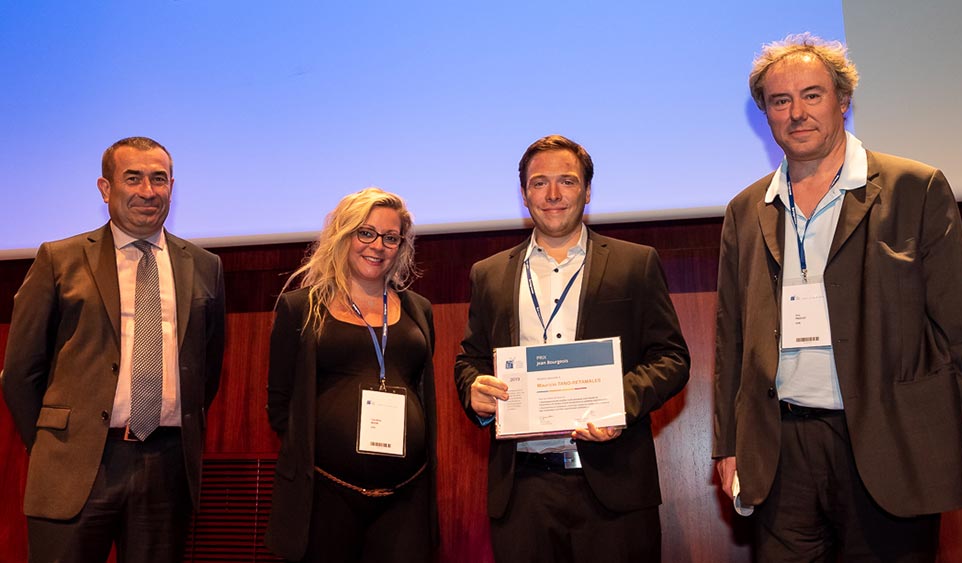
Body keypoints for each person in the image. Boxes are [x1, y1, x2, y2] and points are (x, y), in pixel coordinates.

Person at [713, 33, 962, 561]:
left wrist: (936, 436)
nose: (796, 113)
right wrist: (728, 445)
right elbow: (730, 339)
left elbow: (957, 333)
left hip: (890, 444)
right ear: (765, 113)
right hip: (781, 450)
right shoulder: (747, 209)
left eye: (812, 95)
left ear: (843, 101)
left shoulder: (915, 188)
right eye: (780, 101)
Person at [454, 135, 690, 563]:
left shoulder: (634, 263)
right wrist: (473, 390)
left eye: (567, 181)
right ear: (524, 194)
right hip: (522, 492)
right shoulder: (488, 274)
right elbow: (469, 359)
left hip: (612, 484)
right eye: (540, 183)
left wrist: (616, 403)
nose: (554, 194)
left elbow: (671, 358)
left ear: (587, 190)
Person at [1, 136, 226, 562]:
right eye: (133, 178)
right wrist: (57, 440)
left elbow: (207, 370)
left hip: (166, 466)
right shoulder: (58, 259)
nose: (147, 191)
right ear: (106, 188)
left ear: (172, 186)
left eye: (158, 179)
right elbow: (20, 372)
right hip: (75, 465)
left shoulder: (204, 265)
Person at [265, 187, 437, 563]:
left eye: (391, 237)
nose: (378, 246)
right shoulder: (300, 308)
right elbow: (280, 405)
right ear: (343, 235)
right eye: (366, 233)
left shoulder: (419, 310)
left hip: (406, 498)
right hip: (326, 498)